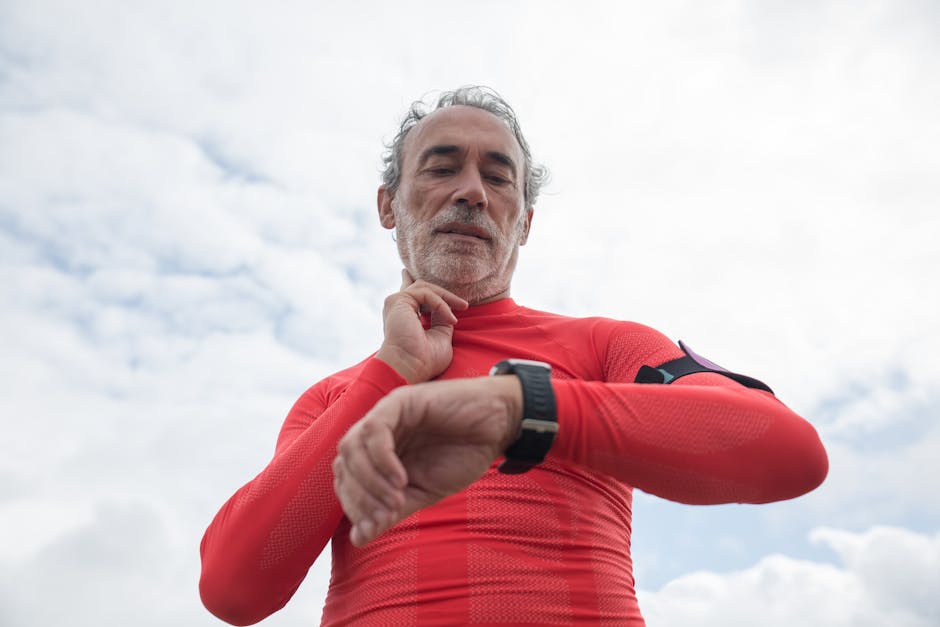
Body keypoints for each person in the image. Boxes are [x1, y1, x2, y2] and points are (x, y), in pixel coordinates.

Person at [199, 86, 828, 626]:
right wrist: (392, 374)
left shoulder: (604, 346)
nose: (472, 191)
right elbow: (234, 589)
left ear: (523, 220)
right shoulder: (332, 397)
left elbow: (789, 454)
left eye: (498, 177)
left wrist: (516, 408)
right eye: (442, 168)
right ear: (389, 204)